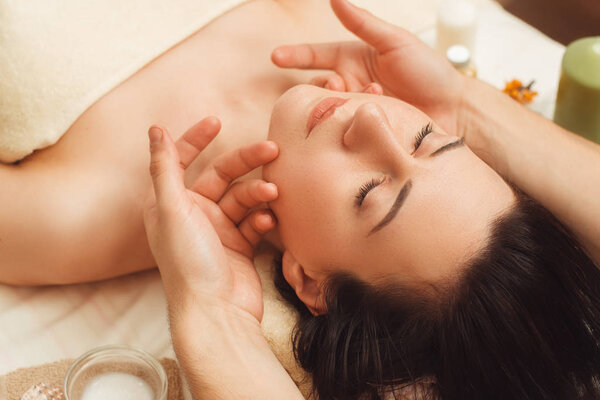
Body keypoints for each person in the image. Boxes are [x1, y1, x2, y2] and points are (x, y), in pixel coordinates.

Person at [143, 0, 600, 399]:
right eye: (426, 139)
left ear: (310, 282)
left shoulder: (95, 207)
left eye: (368, 193)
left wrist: (210, 306)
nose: (371, 115)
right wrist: (461, 105)